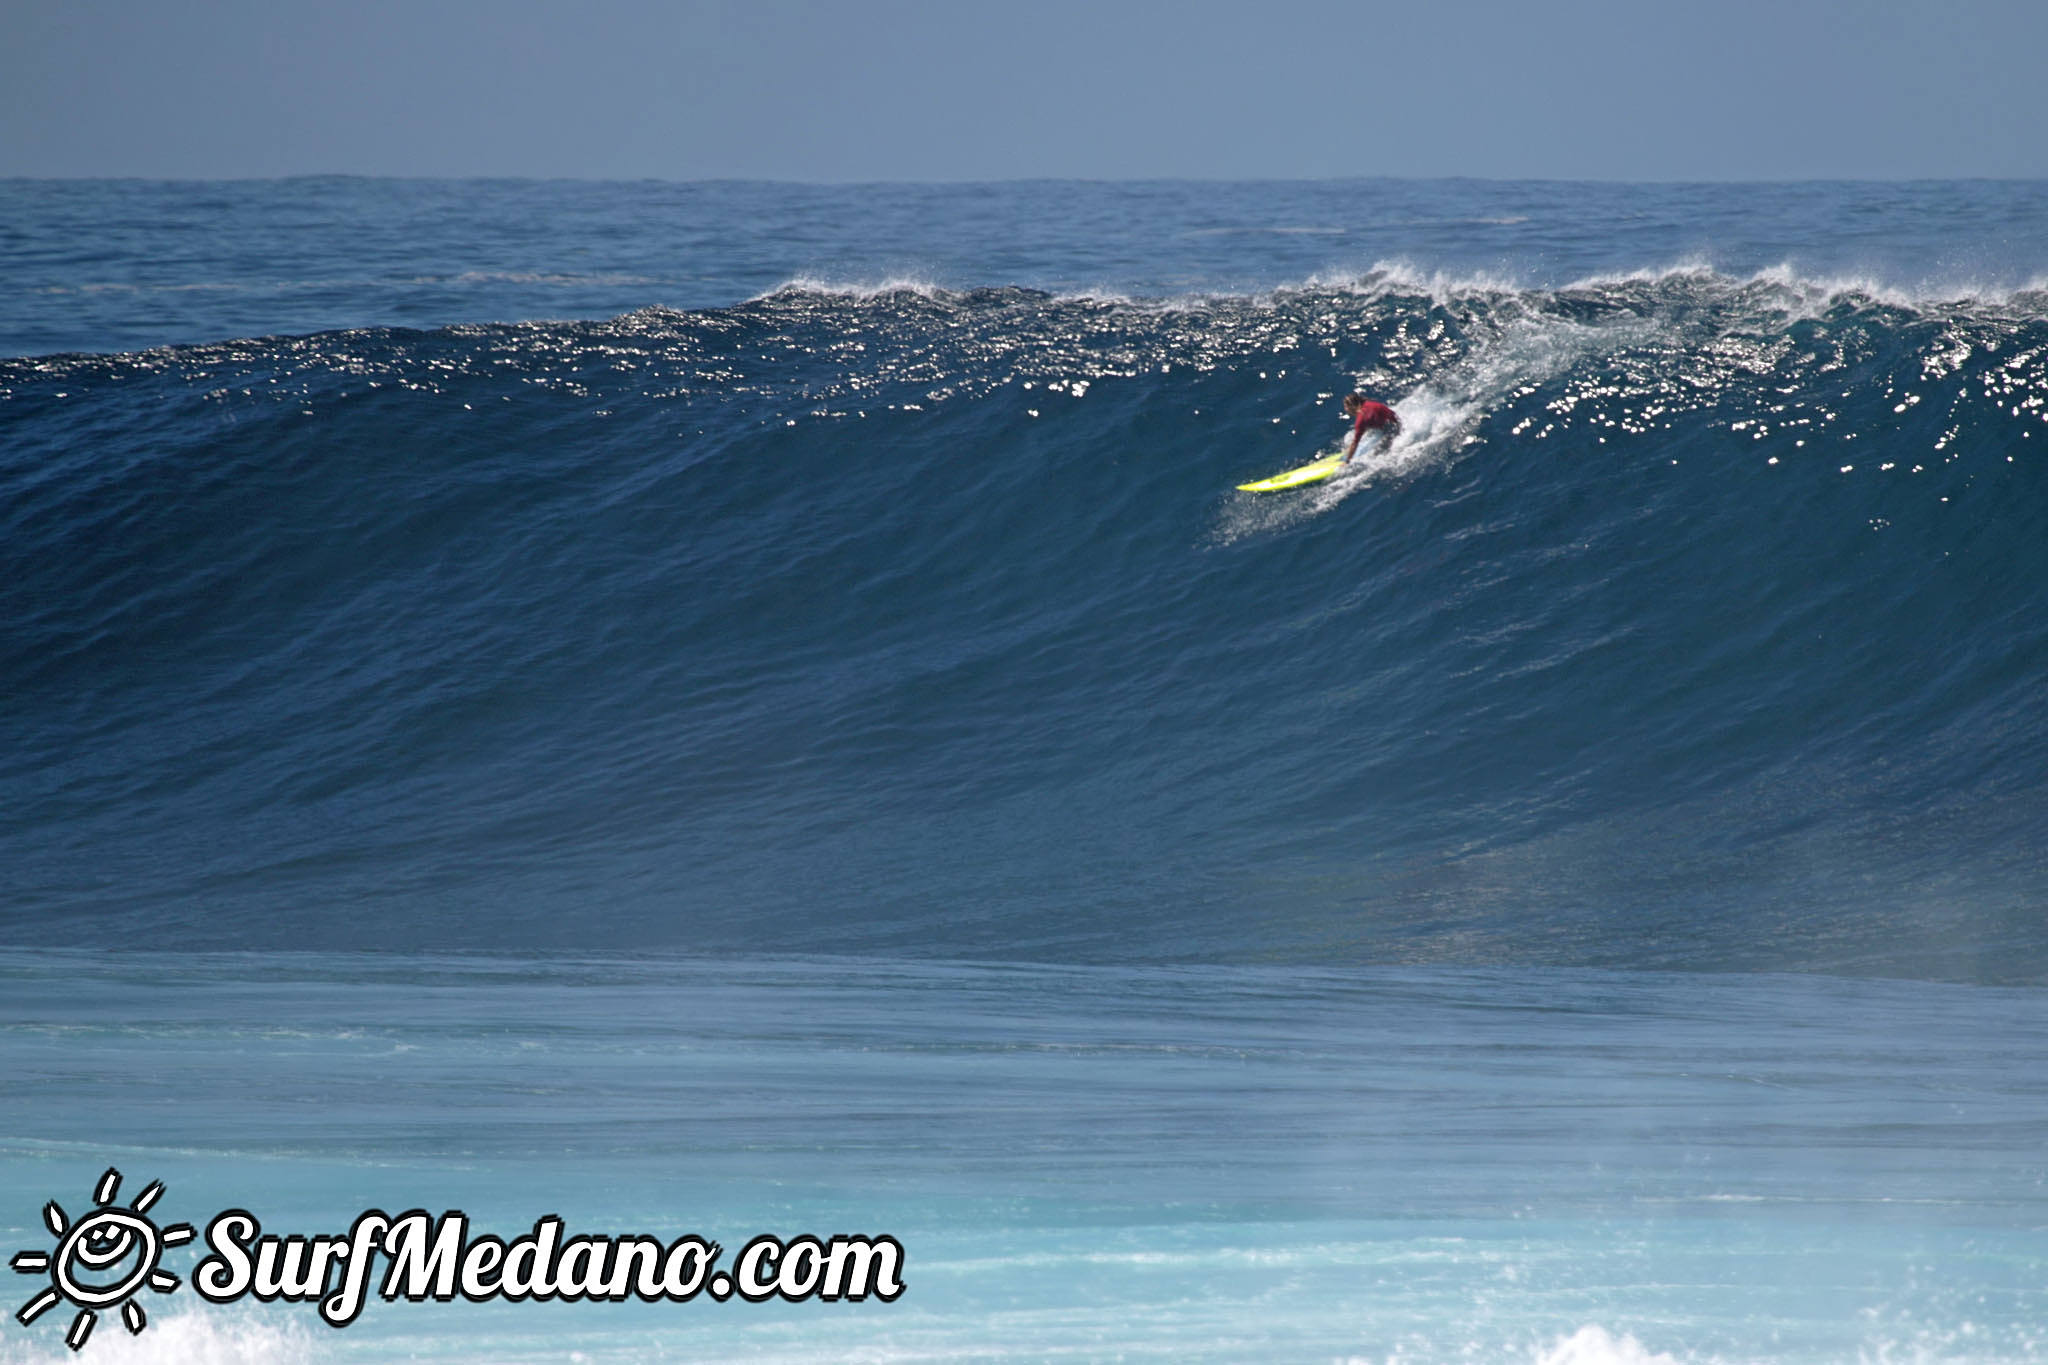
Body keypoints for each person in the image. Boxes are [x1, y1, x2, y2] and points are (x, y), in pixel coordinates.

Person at [1342, 392, 1400, 464]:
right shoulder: (1368, 403)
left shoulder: (1360, 419)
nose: (1345, 409)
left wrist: (1347, 461)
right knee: (1366, 428)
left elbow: (1355, 443)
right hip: (1396, 421)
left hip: (1391, 429)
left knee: (1376, 455)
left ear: (1352, 406)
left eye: (1346, 406)